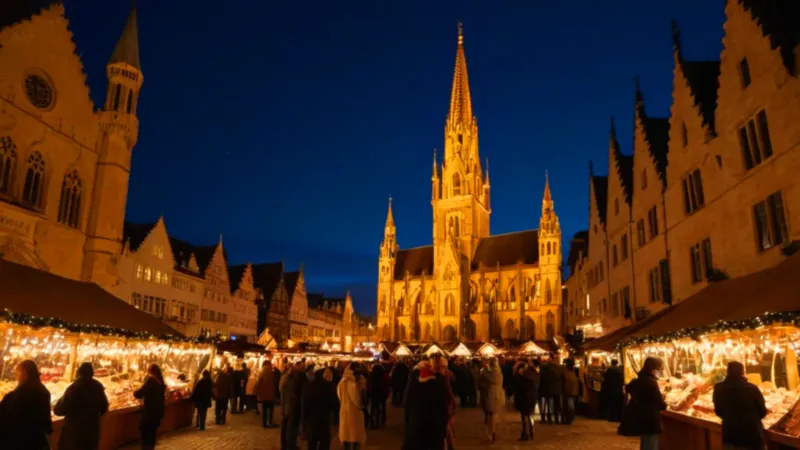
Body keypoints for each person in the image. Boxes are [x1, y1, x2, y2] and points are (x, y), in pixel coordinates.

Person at [53, 362, 109, 450]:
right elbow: (104, 407)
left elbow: (59, 410)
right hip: (91, 432)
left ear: (79, 373)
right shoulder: (98, 386)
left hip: (74, 433)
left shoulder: (74, 388)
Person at [713, 361, 767, 450]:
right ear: (742, 372)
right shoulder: (752, 388)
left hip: (730, 435)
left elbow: (718, 410)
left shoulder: (718, 388)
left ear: (728, 372)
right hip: (752, 437)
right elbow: (763, 412)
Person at [0, 360, 53, 449]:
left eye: (17, 375)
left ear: (24, 374)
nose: (17, 378)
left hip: (16, 443)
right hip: (37, 442)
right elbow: (47, 422)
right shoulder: (44, 392)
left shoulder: (14, 397)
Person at [403, 354, 449, 450]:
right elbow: (443, 409)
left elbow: (407, 404)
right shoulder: (439, 383)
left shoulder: (414, 383)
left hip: (416, 426)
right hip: (434, 429)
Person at [622, 357, 666, 450]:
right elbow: (659, 401)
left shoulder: (640, 379)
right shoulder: (651, 381)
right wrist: (664, 404)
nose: (659, 372)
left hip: (642, 418)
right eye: (658, 369)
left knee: (645, 443)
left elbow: (628, 389)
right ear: (653, 370)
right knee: (651, 444)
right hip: (651, 419)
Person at [133, 364, 166, 450]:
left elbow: (139, 393)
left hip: (150, 412)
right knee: (152, 434)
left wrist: (135, 392)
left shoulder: (151, 380)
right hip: (157, 412)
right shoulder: (160, 381)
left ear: (150, 371)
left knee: (145, 433)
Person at [306, 367, 338, 450]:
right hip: (324, 419)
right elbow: (333, 404)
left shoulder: (310, 386)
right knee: (324, 442)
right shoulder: (328, 387)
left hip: (312, 419)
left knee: (312, 442)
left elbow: (305, 404)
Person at [338, 363, 367, 450]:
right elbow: (357, 399)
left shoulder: (341, 382)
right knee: (355, 437)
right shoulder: (354, 383)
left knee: (346, 436)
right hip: (355, 413)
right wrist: (362, 406)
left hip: (344, 411)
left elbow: (339, 395)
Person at [281, 359, 306, 450]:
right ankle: (290, 446)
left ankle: (285, 446)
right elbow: (297, 394)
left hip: (286, 406)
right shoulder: (294, 381)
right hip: (292, 406)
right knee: (291, 428)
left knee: (286, 427)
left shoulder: (285, 379)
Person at [479, 357, 504, 443]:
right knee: (492, 415)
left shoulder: (488, 373)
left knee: (490, 416)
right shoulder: (499, 373)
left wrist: (485, 369)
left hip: (489, 396)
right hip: (497, 396)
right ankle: (492, 433)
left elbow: (482, 380)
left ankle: (491, 433)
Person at [513, 360, 539, 441]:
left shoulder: (521, 377)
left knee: (524, 417)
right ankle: (532, 432)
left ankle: (525, 434)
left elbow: (518, 387)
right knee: (530, 415)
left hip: (523, 399)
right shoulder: (535, 375)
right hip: (532, 398)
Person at [257, 359, 277, 428]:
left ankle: (264, 423)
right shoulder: (271, 371)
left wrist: (257, 392)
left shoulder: (262, 371)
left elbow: (259, 382)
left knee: (265, 409)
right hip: (270, 394)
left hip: (264, 394)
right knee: (270, 409)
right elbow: (274, 383)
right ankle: (270, 422)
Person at [368, 363, 388, 428]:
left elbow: (368, 384)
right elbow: (385, 384)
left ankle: (372, 423)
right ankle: (379, 422)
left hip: (373, 393)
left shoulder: (371, 375)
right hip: (380, 392)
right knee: (380, 408)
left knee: (373, 408)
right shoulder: (382, 375)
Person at [563, 359, 579, 425]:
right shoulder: (574, 373)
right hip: (573, 391)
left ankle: (569, 418)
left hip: (569, 391)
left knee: (569, 406)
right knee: (570, 405)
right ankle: (570, 418)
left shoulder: (566, 373)